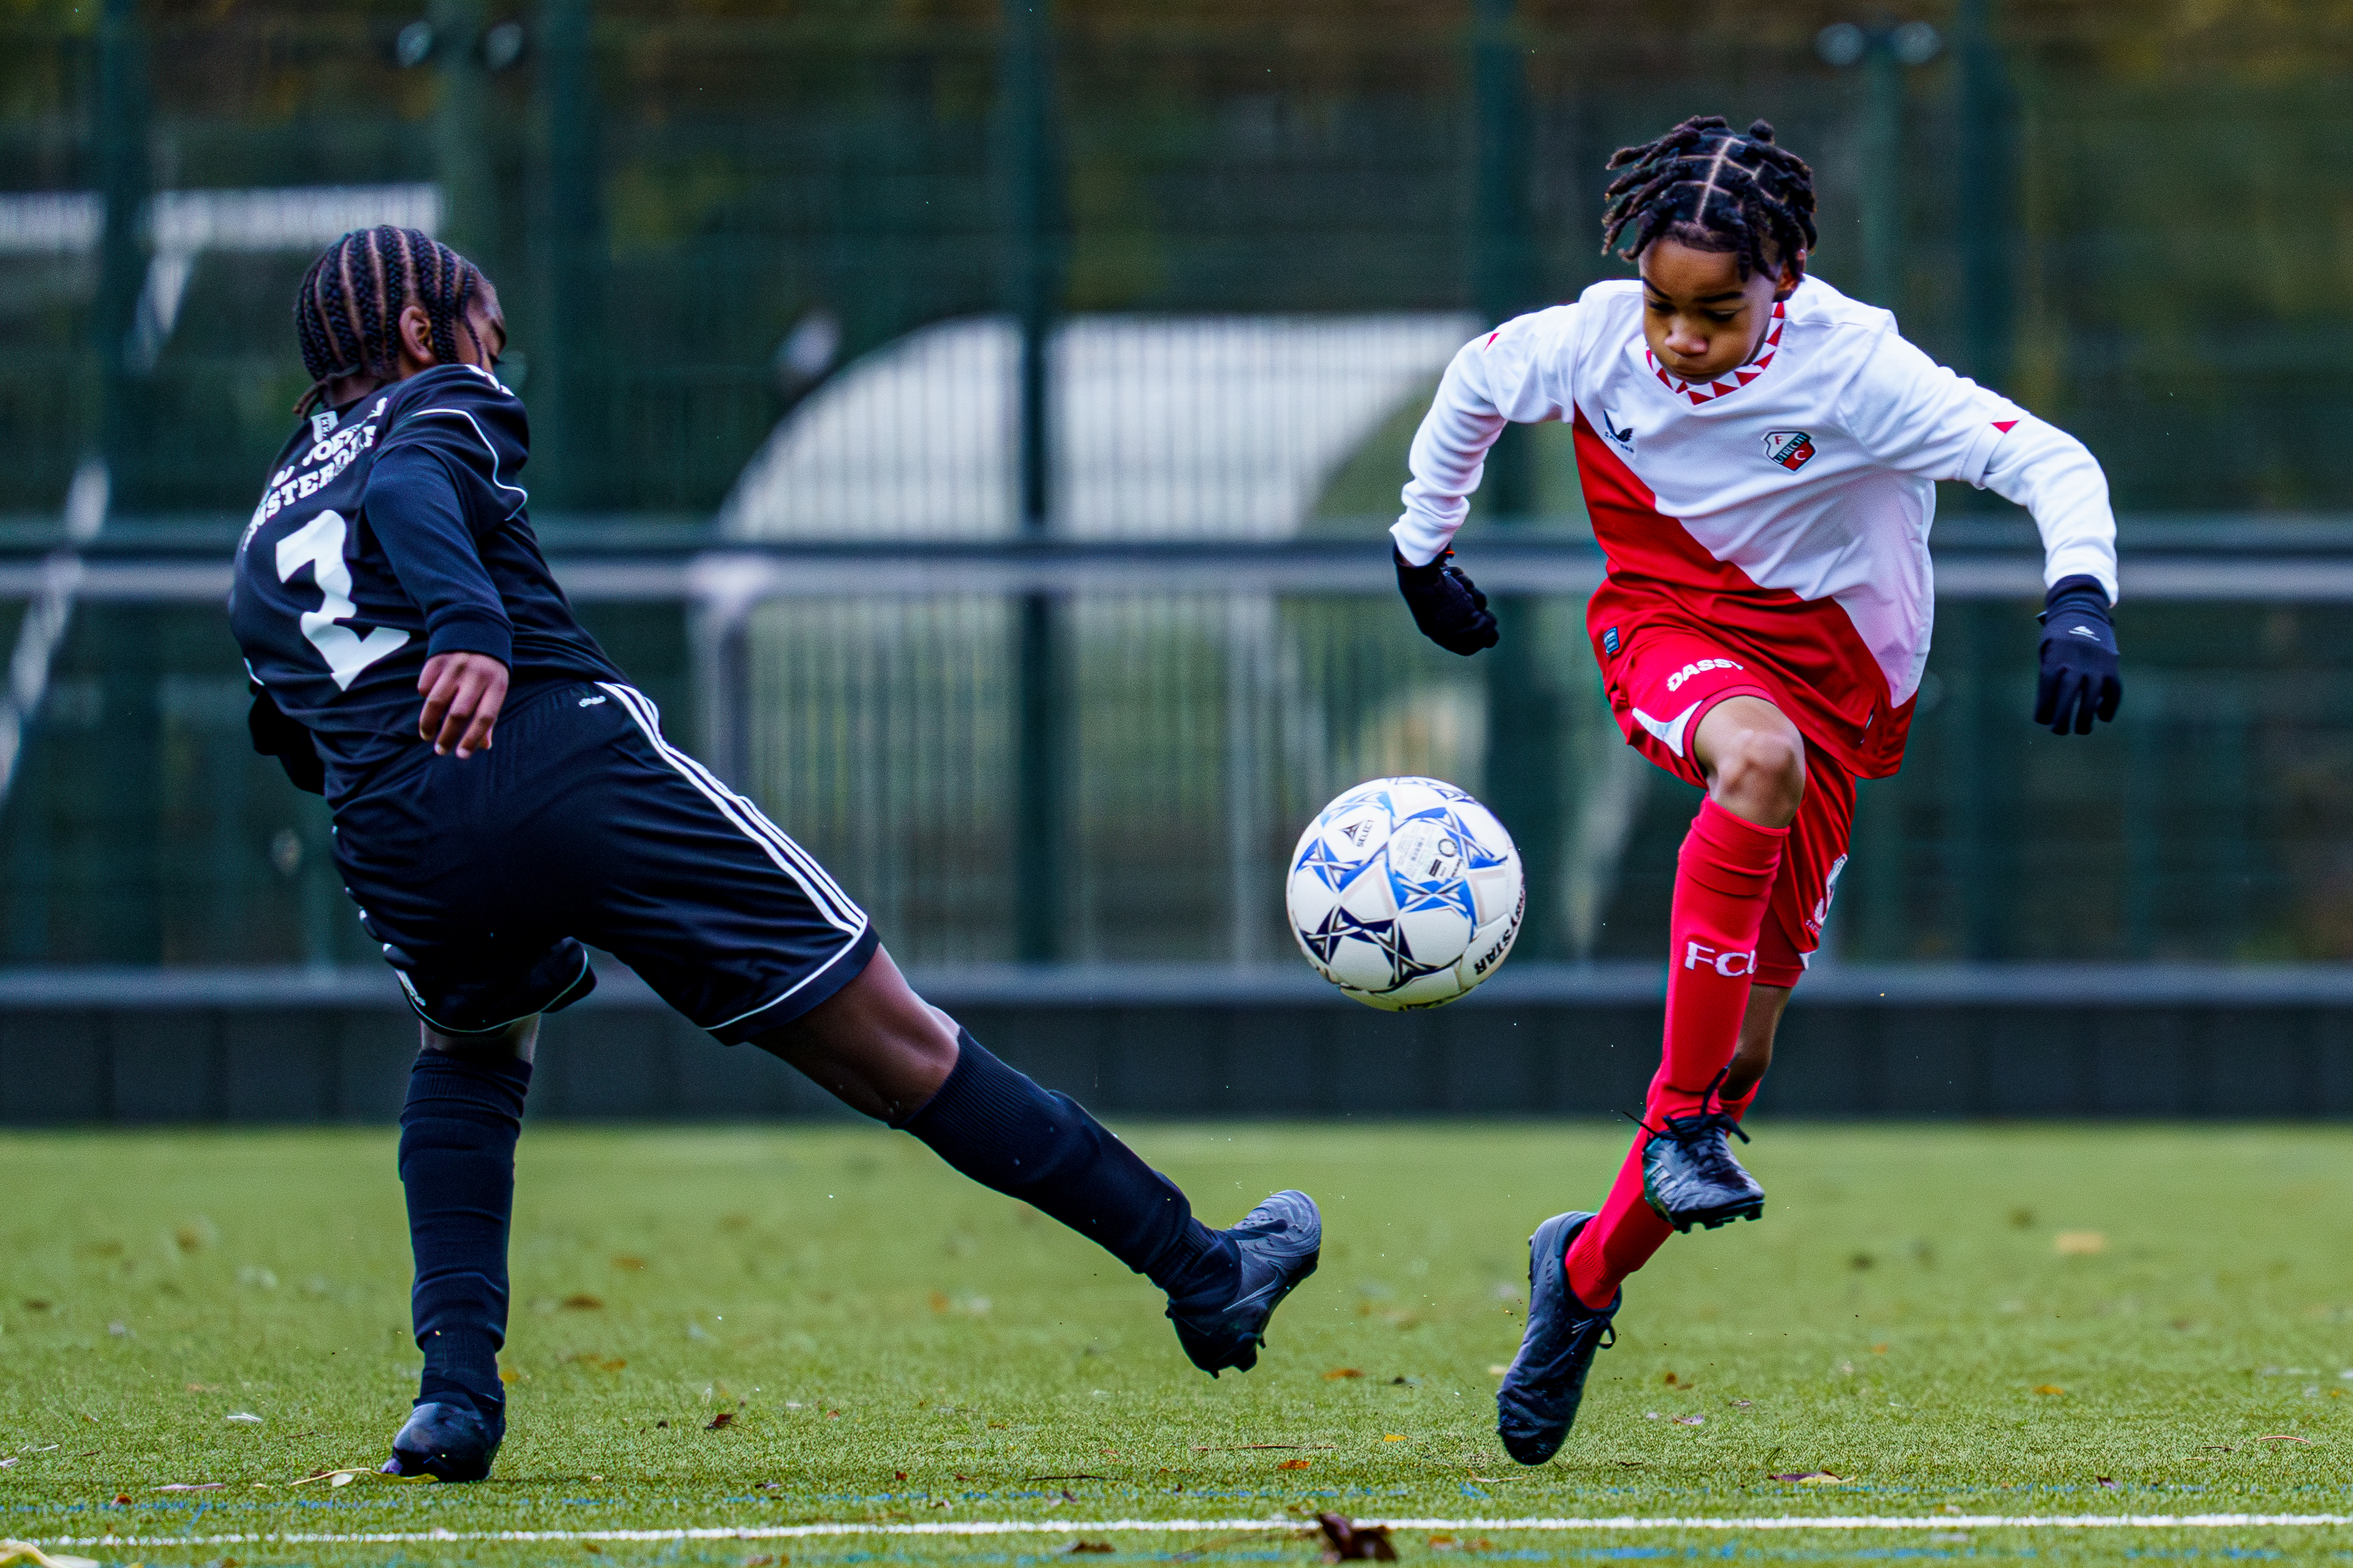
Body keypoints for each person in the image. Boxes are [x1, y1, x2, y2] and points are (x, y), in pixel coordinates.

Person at [230, 225, 1320, 1483]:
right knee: (899, 1045)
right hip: (552, 762)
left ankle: (455, 1398)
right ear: (420, 334)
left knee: (469, 1059)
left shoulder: (271, 513)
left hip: (398, 829)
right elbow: (424, 489)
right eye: (485, 326)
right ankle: (1203, 1270)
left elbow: (287, 716)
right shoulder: (439, 402)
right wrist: (473, 626)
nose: (497, 354)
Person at [1388, 116, 2121, 1465]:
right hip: (1668, 630)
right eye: (1663, 306)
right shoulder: (1599, 338)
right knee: (1754, 766)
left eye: (1714, 313)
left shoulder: (1860, 371)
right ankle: (1676, 1133)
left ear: (1780, 281)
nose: (1675, 340)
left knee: (1739, 1059)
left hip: (1840, 694)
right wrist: (1420, 547)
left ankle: (1585, 1275)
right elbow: (1477, 380)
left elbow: (2048, 462)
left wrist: (2079, 600)